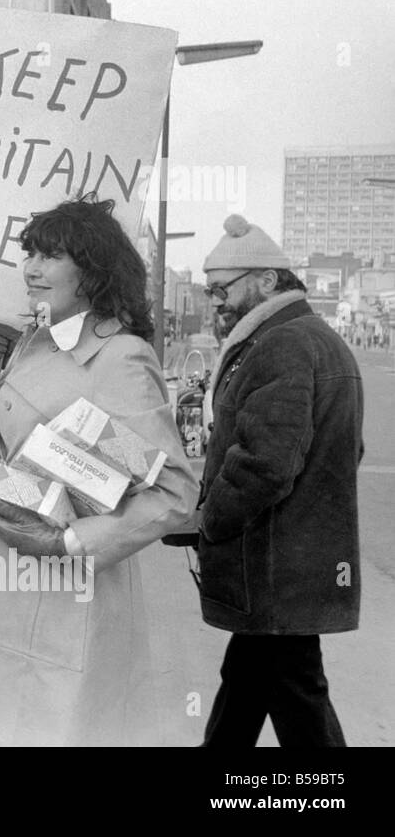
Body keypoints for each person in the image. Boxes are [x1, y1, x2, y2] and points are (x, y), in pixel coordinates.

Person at [0, 194, 198, 746]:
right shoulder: (33, 344)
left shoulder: (120, 358)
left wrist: (71, 542)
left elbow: (173, 491)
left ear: (91, 271)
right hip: (10, 573)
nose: (32, 269)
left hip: (77, 592)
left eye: (50, 256)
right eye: (30, 254)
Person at [197, 215, 361, 747]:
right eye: (209, 290)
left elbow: (266, 463)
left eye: (223, 288)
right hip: (293, 564)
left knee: (294, 696)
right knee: (249, 684)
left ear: (267, 281)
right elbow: (345, 452)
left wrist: (211, 518)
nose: (215, 301)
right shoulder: (315, 338)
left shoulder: (281, 344)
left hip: (274, 567)